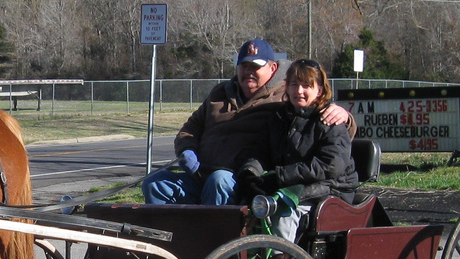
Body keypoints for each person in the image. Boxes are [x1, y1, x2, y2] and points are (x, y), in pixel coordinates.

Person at [142, 39, 354, 205]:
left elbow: (320, 124)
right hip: (199, 174)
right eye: (243, 66)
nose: (248, 72)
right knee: (155, 182)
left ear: (272, 68)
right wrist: (186, 150)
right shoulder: (219, 93)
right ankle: (173, 243)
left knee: (219, 180)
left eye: (255, 66)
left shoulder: (285, 95)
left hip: (233, 180)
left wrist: (344, 115)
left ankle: (212, 247)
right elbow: (189, 130)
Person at [233, 58, 360, 242]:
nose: (299, 91)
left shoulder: (331, 122)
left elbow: (329, 166)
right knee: (247, 205)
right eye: (294, 85)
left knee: (284, 209)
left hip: (331, 189)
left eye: (306, 86)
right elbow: (259, 152)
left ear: (320, 90)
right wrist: (250, 174)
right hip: (291, 184)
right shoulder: (278, 118)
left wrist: (279, 177)